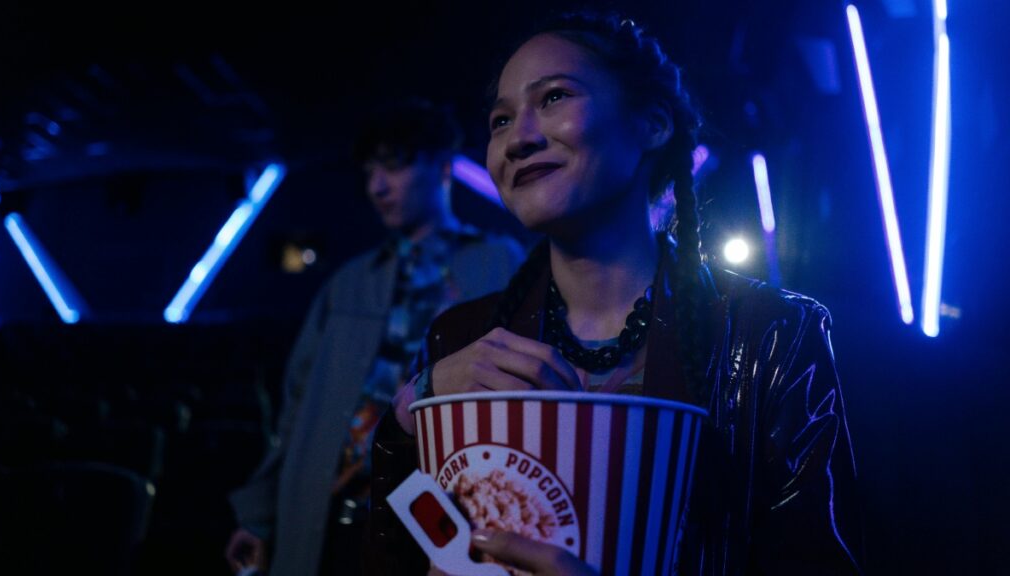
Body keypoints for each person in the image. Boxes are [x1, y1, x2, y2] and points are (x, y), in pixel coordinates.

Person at [366, 10, 864, 576]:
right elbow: (410, 549)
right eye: (500, 120)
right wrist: (411, 414)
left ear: (652, 124)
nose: (518, 139)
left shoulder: (770, 335)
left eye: (554, 97)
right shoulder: (462, 336)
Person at [224, 97, 525, 576]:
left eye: (395, 166)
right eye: (369, 172)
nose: (377, 186)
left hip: (442, 514)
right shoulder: (349, 281)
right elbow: (298, 407)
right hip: (330, 515)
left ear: (443, 167)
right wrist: (259, 518)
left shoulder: (499, 262)